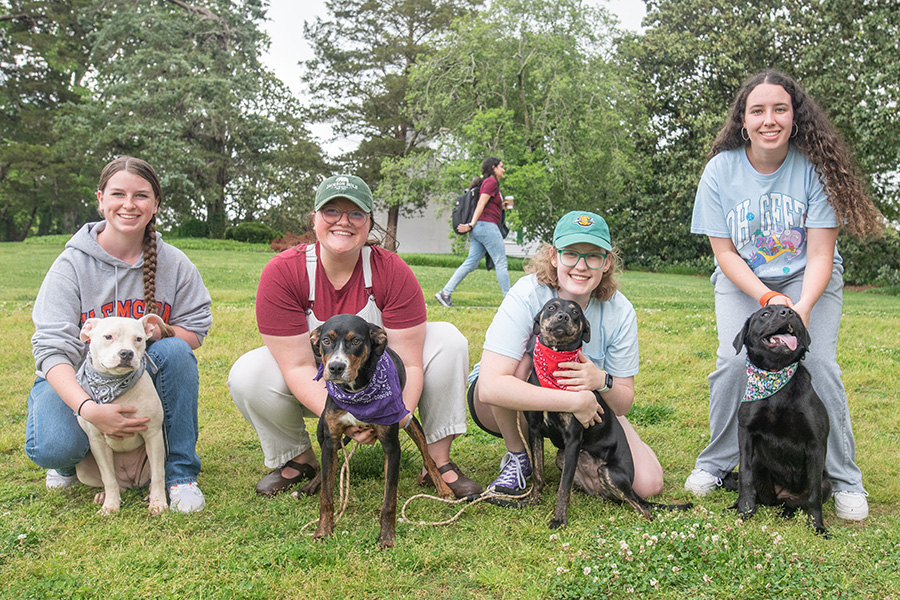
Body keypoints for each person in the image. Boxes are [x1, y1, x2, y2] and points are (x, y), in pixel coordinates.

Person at [686, 69, 883, 521]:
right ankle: (718, 463)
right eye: (758, 110)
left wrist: (802, 308)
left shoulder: (814, 169)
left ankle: (845, 477)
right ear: (743, 120)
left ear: (796, 118)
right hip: (745, 279)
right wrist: (765, 298)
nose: (768, 119)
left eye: (780, 109)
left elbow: (819, 254)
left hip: (807, 280)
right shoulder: (720, 171)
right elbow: (725, 253)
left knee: (818, 363)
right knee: (734, 362)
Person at [228, 174, 482, 499]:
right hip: (321, 381)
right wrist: (351, 415)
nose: (343, 222)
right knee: (247, 373)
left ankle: (437, 460)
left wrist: (387, 413)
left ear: (369, 222)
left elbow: (410, 363)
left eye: (356, 214)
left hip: (384, 381)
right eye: (331, 211)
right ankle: (299, 459)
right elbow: (295, 367)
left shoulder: (391, 270)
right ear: (315, 218)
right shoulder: (283, 272)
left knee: (448, 339)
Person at [26, 156, 213, 513]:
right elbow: (52, 349)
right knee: (54, 445)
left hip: (139, 373)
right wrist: (88, 408)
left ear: (156, 204)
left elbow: (197, 326)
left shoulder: (173, 263)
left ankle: (180, 475)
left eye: (141, 196)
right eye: (118, 194)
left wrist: (161, 334)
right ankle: (69, 460)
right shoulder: (72, 264)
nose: (129, 205)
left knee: (175, 351)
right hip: (78, 376)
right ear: (100, 199)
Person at [468, 211, 665, 502]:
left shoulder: (620, 311)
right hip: (515, 405)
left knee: (648, 485)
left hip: (585, 406)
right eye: (571, 254)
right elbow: (490, 387)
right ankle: (518, 457)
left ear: (607, 261)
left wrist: (601, 380)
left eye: (593, 257)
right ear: (554, 256)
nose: (581, 266)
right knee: (523, 364)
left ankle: (574, 454)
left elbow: (622, 403)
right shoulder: (526, 293)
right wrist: (575, 401)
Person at [435, 157, 512, 307]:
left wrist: (501, 206)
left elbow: (487, 205)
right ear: (494, 168)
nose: (504, 169)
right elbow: (481, 204)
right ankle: (509, 300)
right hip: (486, 227)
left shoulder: (489, 183)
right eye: (501, 167)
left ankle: (445, 293)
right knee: (501, 262)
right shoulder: (491, 182)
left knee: (470, 263)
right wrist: (471, 224)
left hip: (480, 228)